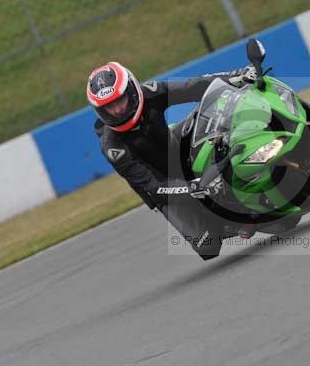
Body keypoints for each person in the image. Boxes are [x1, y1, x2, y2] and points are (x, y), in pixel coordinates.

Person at [87, 61, 255, 260]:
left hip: (177, 149)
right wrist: (191, 189)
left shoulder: (150, 94)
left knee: (211, 121)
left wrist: (235, 76)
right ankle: (226, 221)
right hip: (163, 189)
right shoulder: (113, 147)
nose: (117, 111)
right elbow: (152, 186)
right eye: (108, 107)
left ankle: (250, 169)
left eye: (119, 101)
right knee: (207, 246)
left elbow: (193, 86)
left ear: (131, 90)